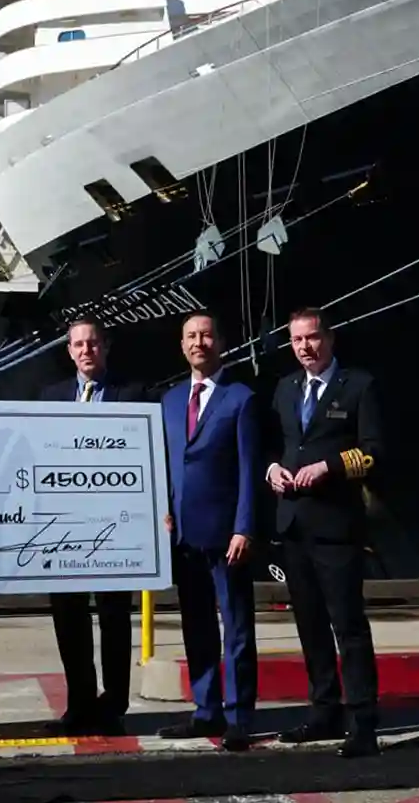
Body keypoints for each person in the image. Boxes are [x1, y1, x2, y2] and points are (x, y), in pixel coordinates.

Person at [266, 306, 385, 757]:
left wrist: (330, 467)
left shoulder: (358, 386)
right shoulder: (285, 389)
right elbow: (278, 445)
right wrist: (273, 470)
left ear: (330, 338)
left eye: (312, 338)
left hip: (336, 524)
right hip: (293, 522)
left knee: (348, 626)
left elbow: (375, 452)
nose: (305, 348)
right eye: (297, 341)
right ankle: (324, 711)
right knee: (309, 624)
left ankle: (364, 721)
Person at [37, 317, 148, 736]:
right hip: (61, 529)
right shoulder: (49, 398)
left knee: (114, 617)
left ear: (106, 347)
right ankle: (79, 704)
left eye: (93, 343)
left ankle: (113, 703)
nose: (86, 350)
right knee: (68, 617)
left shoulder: (134, 394)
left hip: (114, 527)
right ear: (69, 351)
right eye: (78, 344)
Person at [156, 311, 261, 751]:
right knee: (196, 626)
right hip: (183, 537)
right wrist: (161, 511)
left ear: (221, 342)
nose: (199, 342)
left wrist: (244, 528)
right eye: (191, 336)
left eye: (207, 334)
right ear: (182, 346)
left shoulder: (241, 399)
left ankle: (238, 716)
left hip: (226, 536)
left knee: (235, 625)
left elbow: (249, 469)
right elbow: (163, 466)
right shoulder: (169, 401)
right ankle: (206, 711)